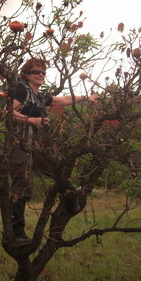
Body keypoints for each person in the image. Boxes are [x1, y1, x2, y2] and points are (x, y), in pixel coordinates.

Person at [9, 58, 98, 245]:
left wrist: (86, 97)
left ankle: (70, 196)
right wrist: (33, 121)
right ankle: (17, 233)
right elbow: (8, 112)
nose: (40, 74)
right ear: (26, 75)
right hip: (20, 143)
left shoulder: (40, 96)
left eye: (42, 72)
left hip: (37, 144)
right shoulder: (21, 90)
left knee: (57, 169)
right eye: (35, 72)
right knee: (22, 185)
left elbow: (62, 99)